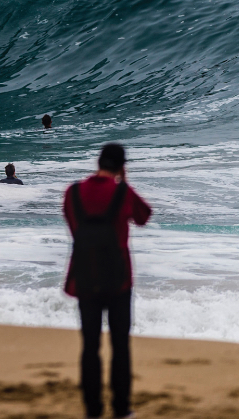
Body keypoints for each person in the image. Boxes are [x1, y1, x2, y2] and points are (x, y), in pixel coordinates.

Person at [63, 143, 151, 419]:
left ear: (98, 162)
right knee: (120, 345)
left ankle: (92, 409)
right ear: (122, 166)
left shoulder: (73, 192)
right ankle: (121, 408)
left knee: (90, 345)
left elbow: (73, 226)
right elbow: (143, 216)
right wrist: (124, 183)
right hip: (119, 280)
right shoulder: (122, 193)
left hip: (85, 277)